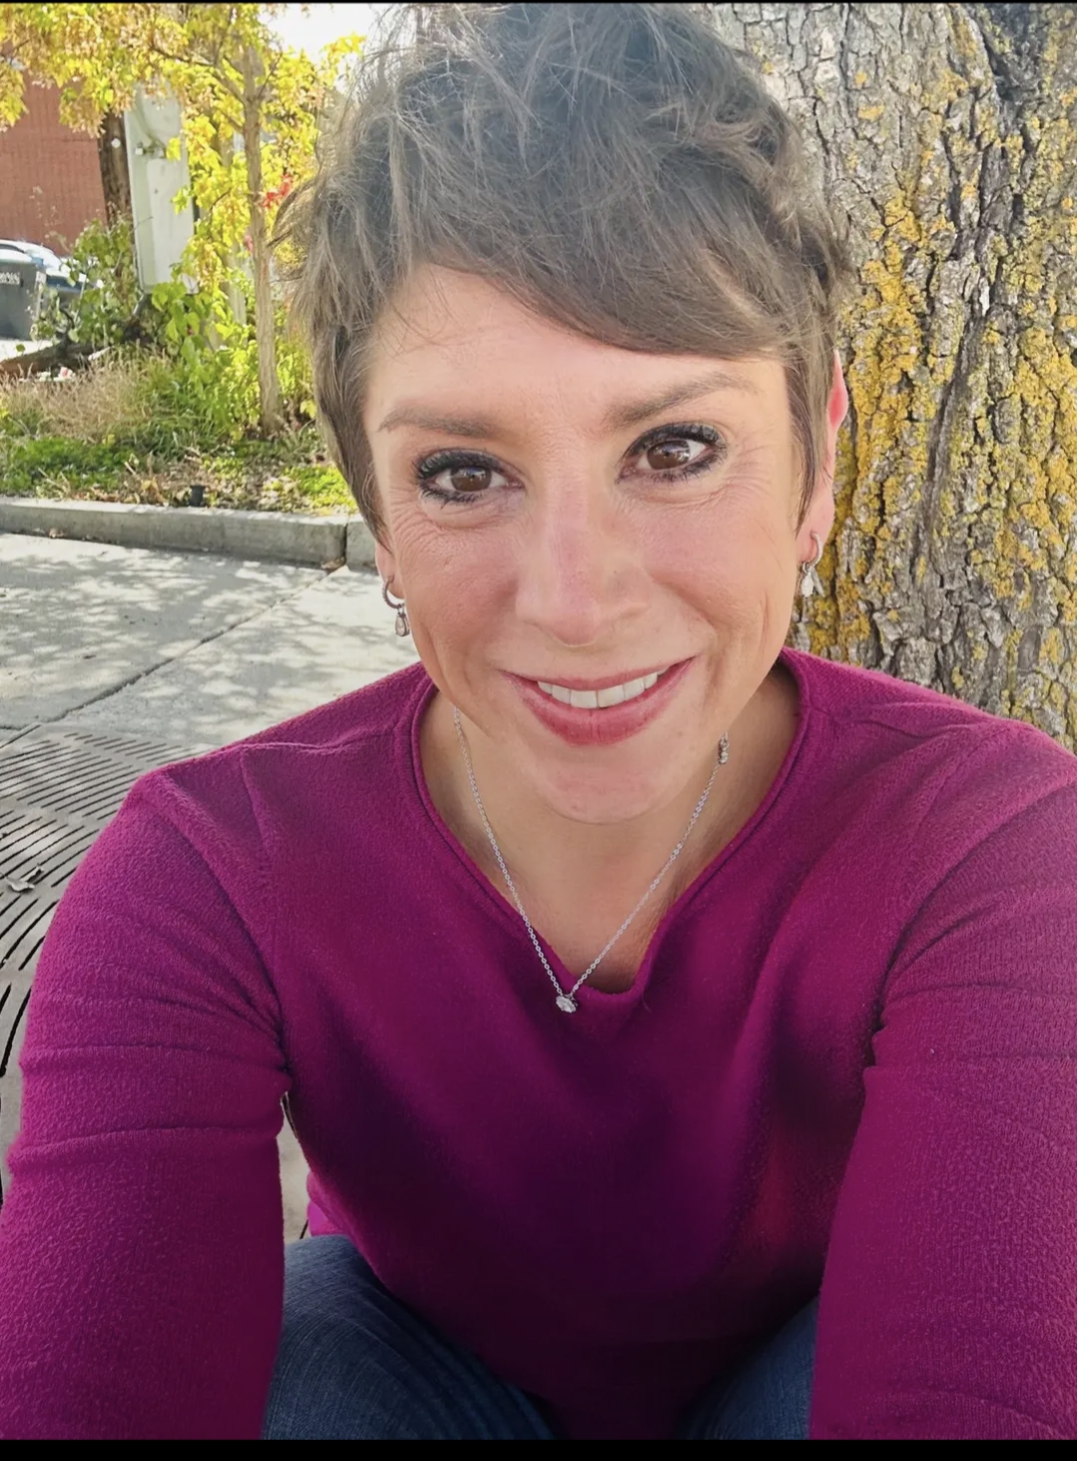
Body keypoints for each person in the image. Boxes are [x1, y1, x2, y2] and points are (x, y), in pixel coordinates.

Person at [0, 3, 1073, 1442]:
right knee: (303, 1354)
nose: (575, 599)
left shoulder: (988, 846)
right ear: (375, 510)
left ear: (817, 459)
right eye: (460, 472)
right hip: (409, 1373)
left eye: (674, 448)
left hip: (793, 1380)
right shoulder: (211, 875)